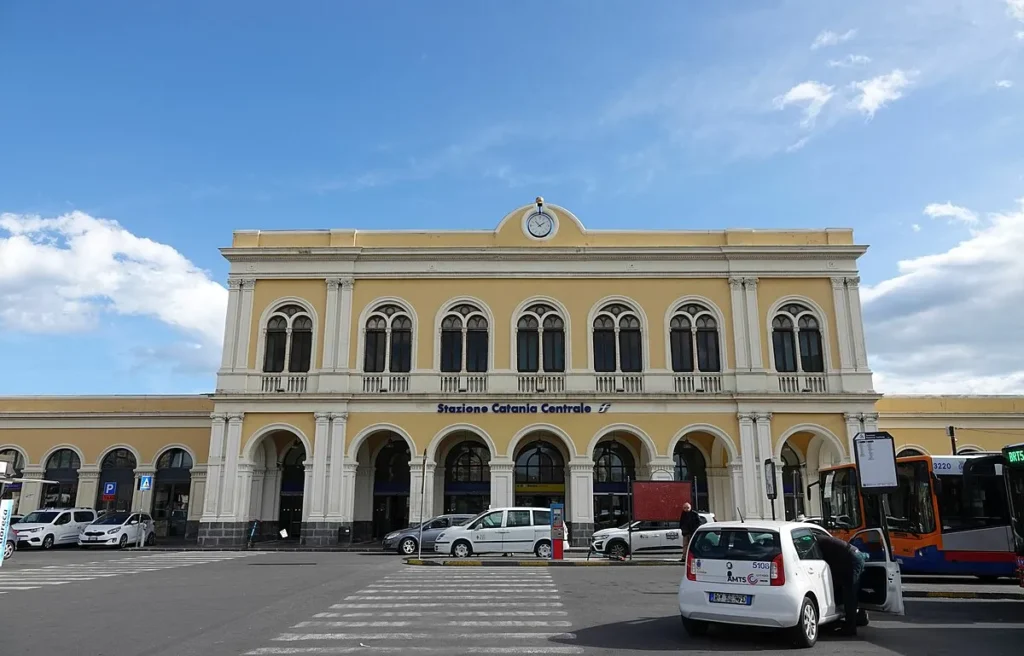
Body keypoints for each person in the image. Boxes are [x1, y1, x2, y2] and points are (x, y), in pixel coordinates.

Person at [815, 534, 866, 636]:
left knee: (849, 595)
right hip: (853, 556)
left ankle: (851, 629)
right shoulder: (821, 539)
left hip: (852, 559)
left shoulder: (816, 543)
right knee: (849, 592)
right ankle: (859, 618)